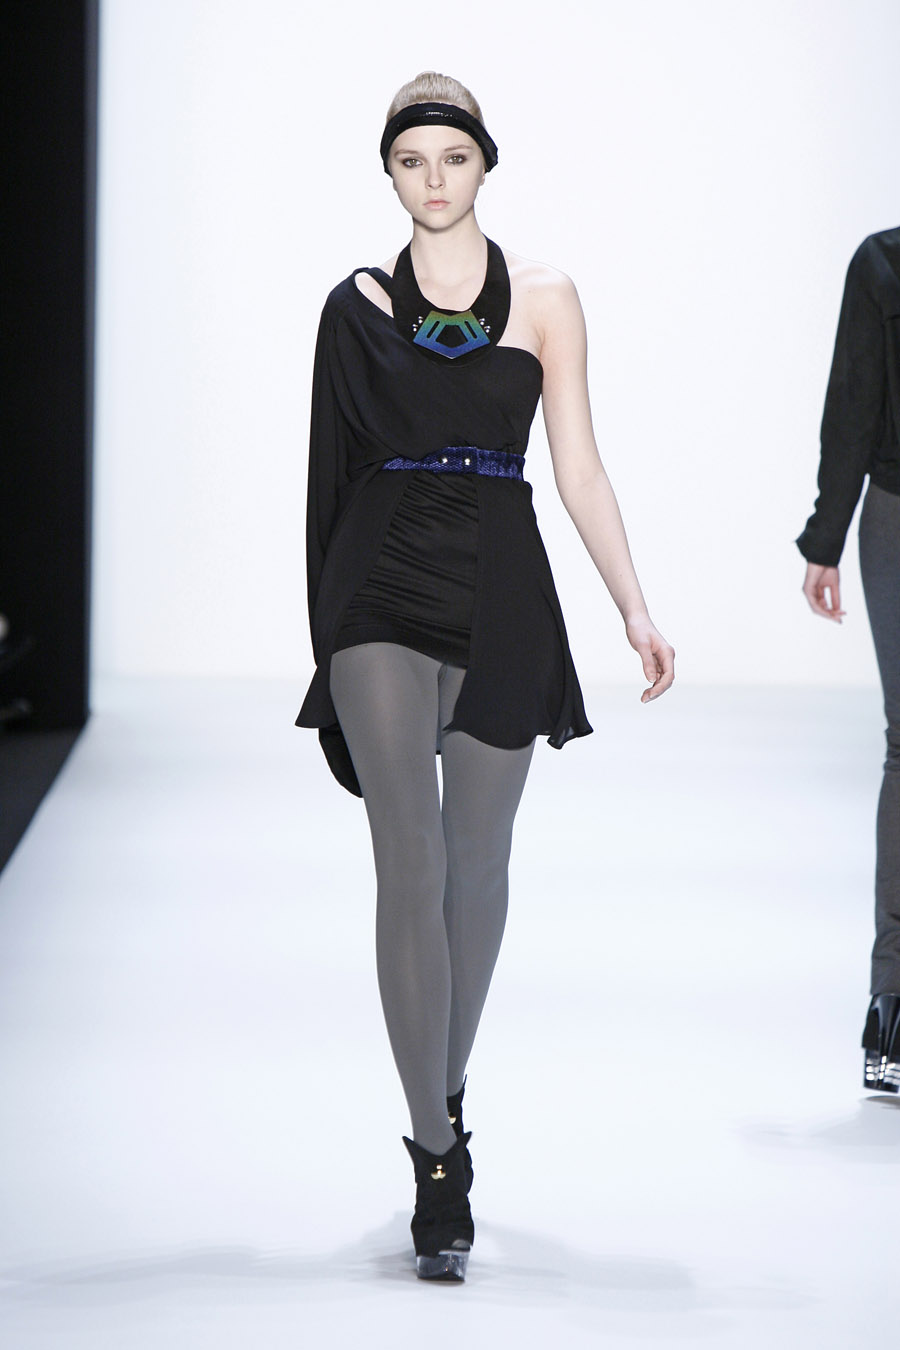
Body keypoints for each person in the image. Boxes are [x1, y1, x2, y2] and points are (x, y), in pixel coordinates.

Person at [296, 71, 675, 1281]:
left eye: (452, 157)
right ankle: (434, 1157)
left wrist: (633, 605)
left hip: (504, 584)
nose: (434, 178)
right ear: (390, 173)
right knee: (409, 858)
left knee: (479, 863)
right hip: (380, 589)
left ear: (483, 165)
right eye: (412, 160)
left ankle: (443, 1089)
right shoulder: (354, 308)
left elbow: (581, 467)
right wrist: (325, 638)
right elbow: (326, 482)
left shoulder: (548, 297)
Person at [797, 225, 900, 1093]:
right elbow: (855, 403)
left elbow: (852, 405)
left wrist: (827, 538)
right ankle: (893, 999)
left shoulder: (885, 262)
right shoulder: (882, 263)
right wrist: (826, 536)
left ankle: (892, 1006)